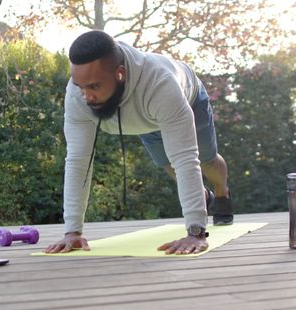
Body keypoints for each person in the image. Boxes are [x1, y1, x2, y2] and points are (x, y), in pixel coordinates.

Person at [44, 30, 233, 255]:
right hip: (146, 116)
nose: (86, 97)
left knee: (205, 160)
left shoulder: (160, 84)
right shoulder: (77, 95)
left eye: (94, 87)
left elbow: (185, 157)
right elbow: (78, 161)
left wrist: (196, 232)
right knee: (168, 164)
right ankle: (202, 197)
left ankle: (221, 194)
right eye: (80, 86)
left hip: (187, 99)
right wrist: (72, 232)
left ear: (120, 74)